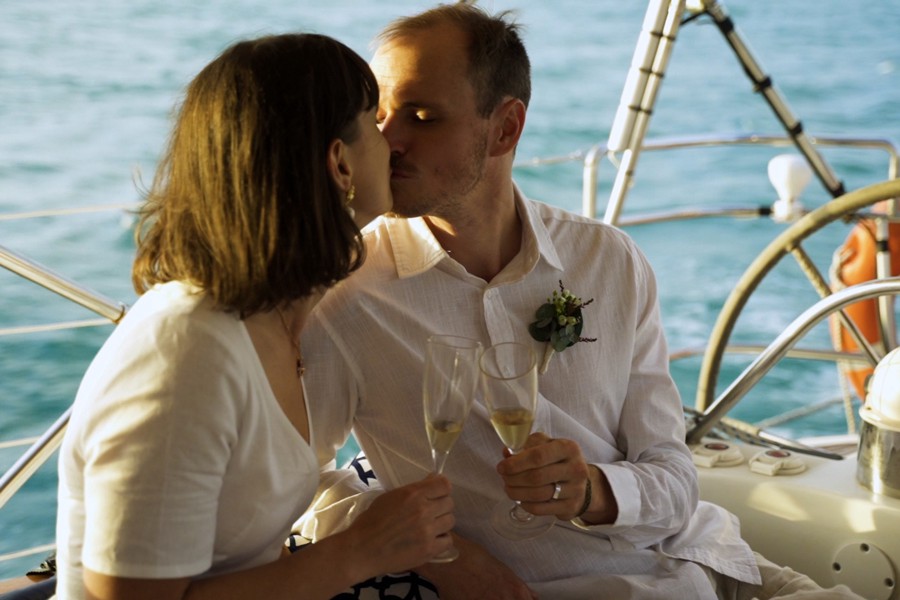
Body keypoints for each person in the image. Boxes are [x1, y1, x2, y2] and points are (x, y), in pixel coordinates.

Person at [294, 5, 863, 600]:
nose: (389, 143)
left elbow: (673, 477)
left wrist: (593, 490)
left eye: (422, 117)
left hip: (708, 558)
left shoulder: (610, 261)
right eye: (380, 116)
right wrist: (442, 555)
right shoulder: (344, 296)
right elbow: (297, 486)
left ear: (506, 129)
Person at [51, 33, 454, 600]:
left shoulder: (278, 320)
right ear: (339, 162)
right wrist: (357, 552)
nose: (393, 143)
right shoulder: (187, 352)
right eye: (374, 120)